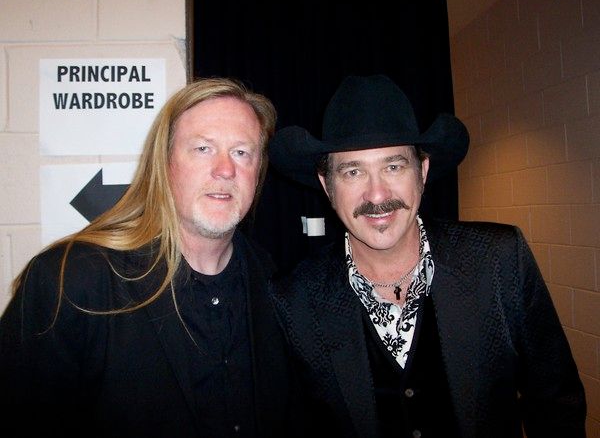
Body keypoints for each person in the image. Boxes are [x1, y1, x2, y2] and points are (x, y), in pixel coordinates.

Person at [267, 74, 587, 438]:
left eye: (393, 166)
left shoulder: (499, 260)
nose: (377, 195)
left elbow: (556, 401)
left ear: (422, 171)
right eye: (353, 172)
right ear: (327, 186)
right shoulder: (294, 298)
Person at [0, 77, 299, 438]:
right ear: (165, 163)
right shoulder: (71, 280)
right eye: (203, 148)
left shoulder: (276, 283)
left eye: (241, 152)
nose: (225, 169)